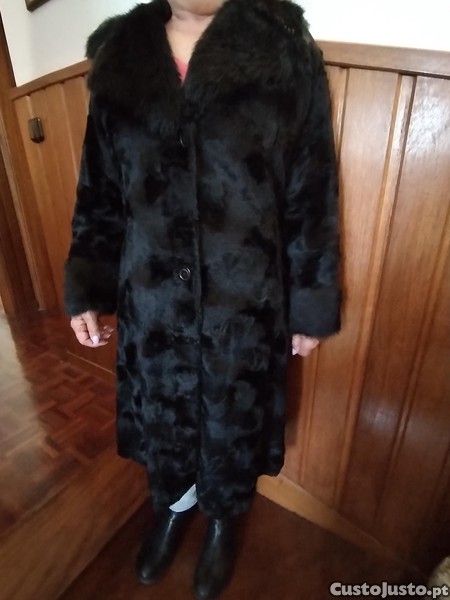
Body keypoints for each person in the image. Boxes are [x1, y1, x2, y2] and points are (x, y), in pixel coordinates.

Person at [64, 0, 341, 598]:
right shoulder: (121, 59)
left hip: (245, 303)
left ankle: (223, 520)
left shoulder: (284, 51)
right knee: (164, 415)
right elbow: (100, 190)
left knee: (231, 421)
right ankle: (175, 504)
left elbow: (311, 192)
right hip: (152, 303)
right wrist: (86, 284)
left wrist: (310, 301)